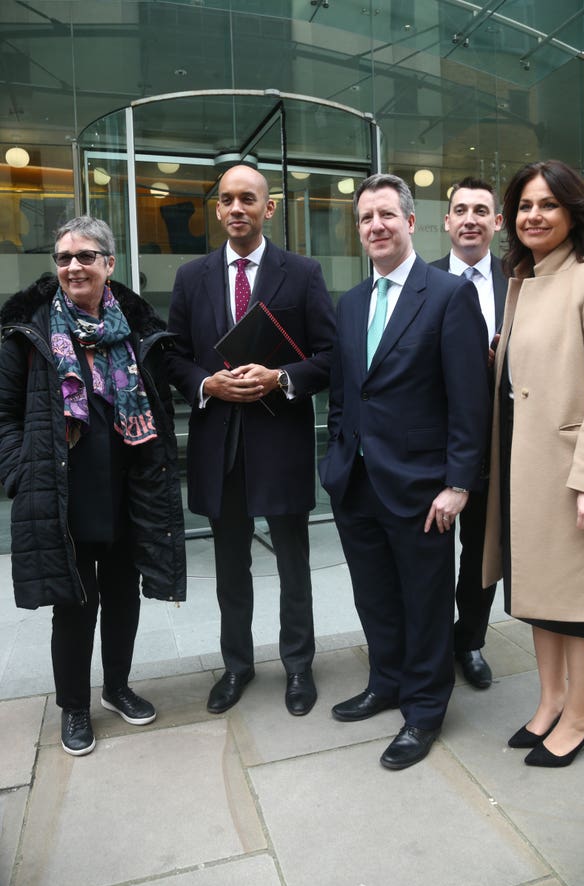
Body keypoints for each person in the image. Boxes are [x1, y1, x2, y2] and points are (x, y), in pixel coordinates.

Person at [320, 174, 490, 769]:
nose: (376, 227)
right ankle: (385, 681)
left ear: (411, 222)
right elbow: (344, 394)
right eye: (366, 218)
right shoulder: (350, 303)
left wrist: (458, 484)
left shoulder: (446, 296)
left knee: (424, 600)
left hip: (422, 487)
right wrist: (337, 459)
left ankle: (423, 709)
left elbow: (470, 403)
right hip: (356, 482)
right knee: (375, 596)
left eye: (386, 215)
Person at [0, 216, 186, 756]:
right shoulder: (28, 333)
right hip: (63, 493)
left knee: (124, 597)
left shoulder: (136, 327)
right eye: (64, 258)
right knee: (75, 606)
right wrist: (22, 471)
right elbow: (4, 416)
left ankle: (118, 688)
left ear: (109, 263)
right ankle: (74, 708)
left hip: (130, 488)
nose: (74, 266)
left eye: (86, 256)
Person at [483, 160, 584, 767]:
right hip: (526, 469)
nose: (533, 216)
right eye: (524, 205)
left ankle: (582, 714)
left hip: (576, 473)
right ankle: (550, 701)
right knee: (538, 593)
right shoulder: (524, 281)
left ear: (575, 212)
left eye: (547, 204)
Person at [167, 164, 335, 717]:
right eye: (227, 200)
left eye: (249, 199)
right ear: (217, 210)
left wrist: (283, 377)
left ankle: (298, 666)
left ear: (269, 209)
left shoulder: (303, 273)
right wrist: (203, 384)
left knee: (292, 563)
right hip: (220, 443)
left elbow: (330, 357)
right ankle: (237, 665)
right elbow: (174, 356)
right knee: (230, 565)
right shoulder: (192, 276)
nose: (236, 208)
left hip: (280, 439)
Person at [431, 176, 507, 690]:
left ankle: (471, 642)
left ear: (497, 223)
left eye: (482, 210)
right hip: (434, 446)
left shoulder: (521, 281)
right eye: (461, 209)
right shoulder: (424, 280)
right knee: (431, 552)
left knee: (481, 554)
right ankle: (432, 645)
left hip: (500, 446)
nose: (471, 218)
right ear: (447, 221)